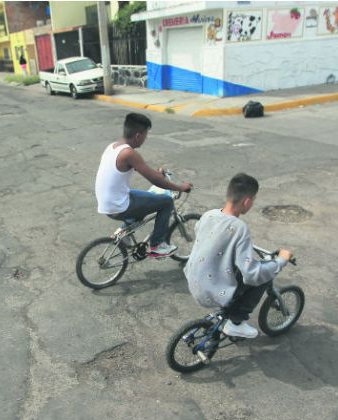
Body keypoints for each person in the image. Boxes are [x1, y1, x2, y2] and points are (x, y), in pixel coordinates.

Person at [184, 173, 292, 338]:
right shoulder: (239, 227)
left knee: (237, 270)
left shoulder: (209, 214)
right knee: (263, 276)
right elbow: (251, 274)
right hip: (212, 290)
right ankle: (236, 321)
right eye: (254, 200)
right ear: (247, 201)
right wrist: (280, 261)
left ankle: (229, 311)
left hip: (194, 280)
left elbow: (202, 234)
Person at [95, 113, 192, 258]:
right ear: (138, 136)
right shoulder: (129, 153)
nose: (145, 139)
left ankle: (123, 232)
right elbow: (155, 180)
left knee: (147, 199)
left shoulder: (113, 147)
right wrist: (179, 187)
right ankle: (157, 245)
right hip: (118, 205)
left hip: (108, 201)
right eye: (146, 135)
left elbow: (144, 170)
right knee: (166, 202)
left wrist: (158, 173)